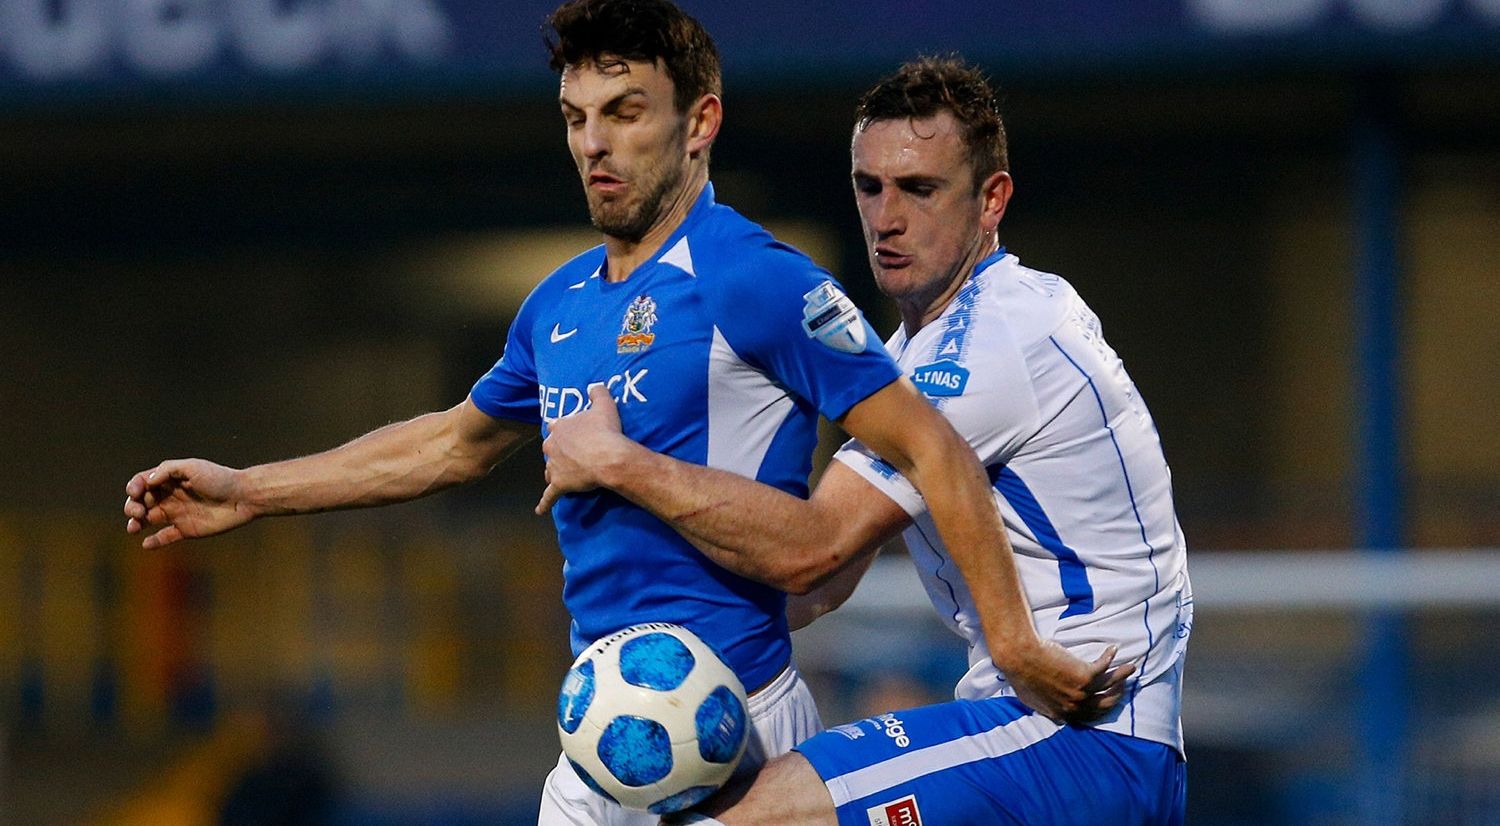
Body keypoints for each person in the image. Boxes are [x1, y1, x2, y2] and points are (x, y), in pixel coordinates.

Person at [121, 5, 1127, 823]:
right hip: (605, 732)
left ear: (699, 124)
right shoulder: (560, 303)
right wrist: (249, 489)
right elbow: (454, 441)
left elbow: (933, 445)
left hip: (733, 728)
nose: (595, 143)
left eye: (627, 111)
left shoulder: (758, 280)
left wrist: (1012, 643)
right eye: (576, 116)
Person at [538, 56, 1190, 825]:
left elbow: (815, 546)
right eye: (869, 186)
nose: (887, 217)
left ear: (992, 200)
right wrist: (675, 647)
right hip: (1065, 742)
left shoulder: (987, 346)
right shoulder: (945, 342)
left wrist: (621, 463)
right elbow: (823, 585)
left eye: (920, 189)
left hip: (1077, 741)